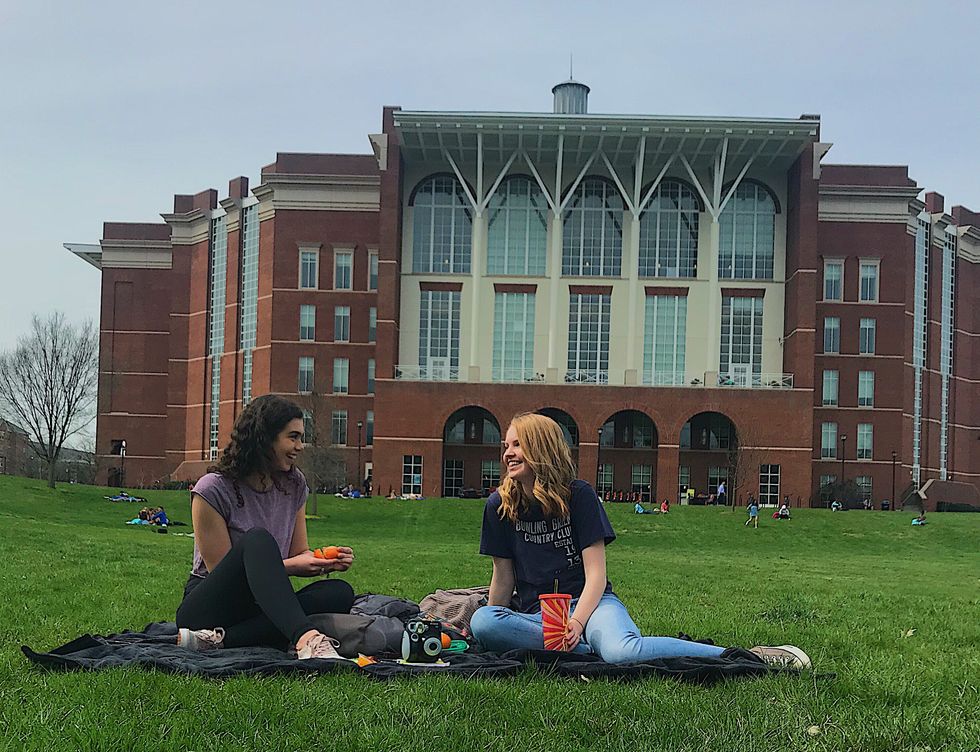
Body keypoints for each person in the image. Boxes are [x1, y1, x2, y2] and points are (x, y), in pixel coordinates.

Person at [469, 413, 810, 668]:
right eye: (506, 446)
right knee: (483, 620)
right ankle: (584, 650)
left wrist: (577, 621)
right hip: (539, 618)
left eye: (517, 445)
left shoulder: (579, 496)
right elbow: (503, 578)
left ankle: (748, 656)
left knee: (622, 651)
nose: (508, 454)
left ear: (541, 449)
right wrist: (488, 625)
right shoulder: (499, 506)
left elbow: (596, 576)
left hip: (594, 605)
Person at [175, 394, 355, 660]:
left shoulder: (294, 485)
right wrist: (292, 566)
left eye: (300, 437)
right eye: (292, 437)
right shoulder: (212, 490)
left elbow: (298, 553)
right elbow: (225, 574)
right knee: (257, 540)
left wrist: (323, 561)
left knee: (339, 593)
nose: (300, 446)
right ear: (265, 438)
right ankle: (307, 639)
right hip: (212, 605)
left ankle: (217, 641)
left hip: (262, 604)